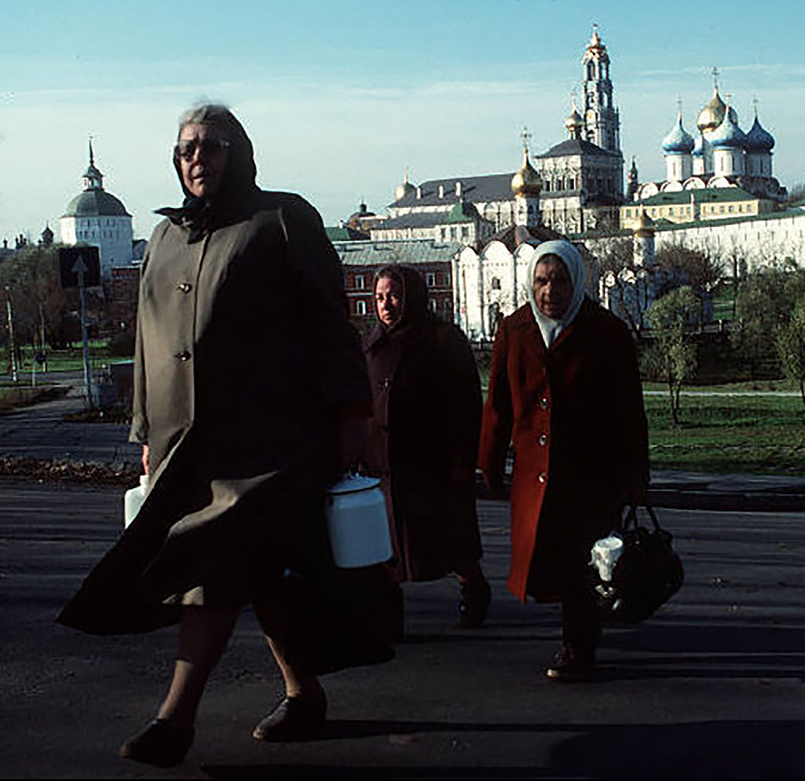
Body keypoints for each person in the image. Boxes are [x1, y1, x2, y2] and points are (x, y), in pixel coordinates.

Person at [56, 103, 378, 767]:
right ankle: (303, 691)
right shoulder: (168, 237)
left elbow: (329, 322)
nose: (195, 158)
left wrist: (352, 411)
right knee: (260, 571)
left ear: (240, 152)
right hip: (186, 443)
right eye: (185, 148)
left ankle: (175, 716)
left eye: (210, 145)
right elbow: (148, 339)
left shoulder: (281, 219)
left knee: (215, 564)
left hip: (269, 440)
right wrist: (145, 424)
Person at [478, 240, 650, 682]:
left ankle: (578, 645)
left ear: (576, 281)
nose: (549, 291)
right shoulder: (515, 329)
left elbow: (629, 410)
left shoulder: (606, 331)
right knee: (548, 558)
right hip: (536, 471)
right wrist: (490, 460)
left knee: (583, 560)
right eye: (541, 280)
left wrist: (633, 476)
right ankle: (578, 632)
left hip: (591, 472)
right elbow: (497, 399)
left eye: (559, 280)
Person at [361, 264, 491, 628]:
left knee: (450, 540)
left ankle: (474, 587)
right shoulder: (370, 345)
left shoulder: (441, 340)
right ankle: (389, 616)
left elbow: (466, 404)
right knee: (386, 547)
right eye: (380, 298)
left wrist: (464, 460)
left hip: (432, 463)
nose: (386, 305)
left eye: (394, 296)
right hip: (383, 464)